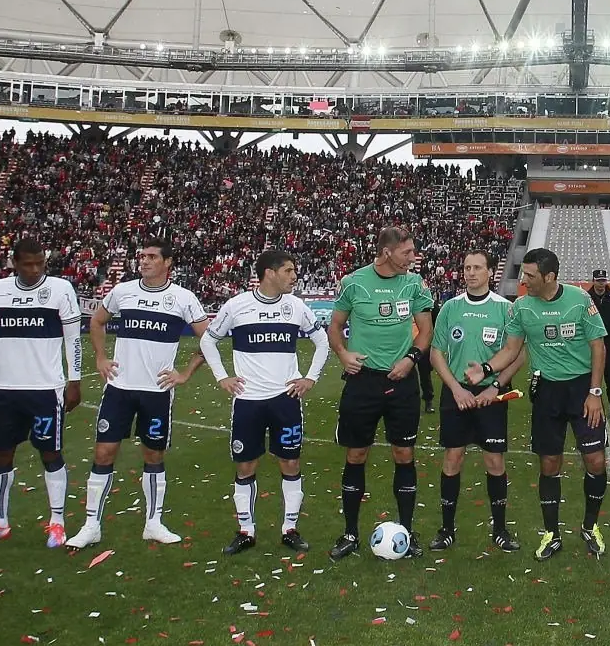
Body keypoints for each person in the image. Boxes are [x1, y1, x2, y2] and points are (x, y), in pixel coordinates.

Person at [71, 237, 211, 549]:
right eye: (142, 256)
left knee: (153, 454)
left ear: (167, 262)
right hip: (119, 389)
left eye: (151, 256)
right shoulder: (123, 292)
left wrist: (185, 373)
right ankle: (91, 526)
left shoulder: (183, 298)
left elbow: (209, 338)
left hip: (157, 392)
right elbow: (97, 321)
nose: (144, 261)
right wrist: (100, 357)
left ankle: (153, 523)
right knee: (103, 453)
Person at [0, 238, 83, 549]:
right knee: (0, 453)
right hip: (6, 389)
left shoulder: (61, 289)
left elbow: (73, 339)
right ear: (15, 263)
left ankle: (57, 523)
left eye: (40, 263)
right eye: (28, 264)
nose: (34, 269)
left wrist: (74, 381)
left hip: (45, 390)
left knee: (50, 453)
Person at [478, 248, 609, 560]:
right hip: (547, 391)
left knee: (595, 461)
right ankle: (552, 533)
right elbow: (511, 349)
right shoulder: (521, 307)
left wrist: (594, 393)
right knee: (549, 463)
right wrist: (485, 369)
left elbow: (598, 346)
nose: (524, 280)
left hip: (581, 390)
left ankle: (590, 526)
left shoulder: (580, 300)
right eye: (523, 274)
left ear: (549, 277)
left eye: (530, 275)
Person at [201, 247, 329, 555]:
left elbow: (322, 341)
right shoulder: (237, 306)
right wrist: (222, 377)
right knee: (245, 465)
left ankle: (290, 529)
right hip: (248, 401)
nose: (294, 276)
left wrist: (310, 377)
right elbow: (208, 340)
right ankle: (246, 530)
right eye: (288, 270)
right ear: (269, 273)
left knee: (291, 462)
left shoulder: (296, 306)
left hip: (286, 399)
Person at [326, 226, 435, 561]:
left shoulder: (414, 284)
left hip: (403, 382)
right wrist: (343, 354)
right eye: (407, 252)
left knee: (404, 454)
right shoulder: (354, 282)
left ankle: (406, 531)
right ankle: (349, 534)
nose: (412, 258)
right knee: (356, 454)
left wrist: (410, 359)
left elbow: (426, 330)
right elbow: (335, 326)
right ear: (387, 252)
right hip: (363, 383)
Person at [428, 249, 521, 551]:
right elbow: (436, 353)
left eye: (477, 267)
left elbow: (519, 354)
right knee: (452, 458)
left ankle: (500, 530)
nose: (470, 273)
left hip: (491, 396)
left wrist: (495, 387)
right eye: (467, 267)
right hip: (456, 394)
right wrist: (456, 389)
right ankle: (446, 530)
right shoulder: (450, 307)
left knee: (494, 461)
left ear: (491, 272)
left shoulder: (506, 309)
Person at [587, 270, 610, 418]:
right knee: (587, 375)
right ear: (593, 281)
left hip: (608, 342)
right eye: (598, 280)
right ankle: (585, 404)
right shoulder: (586, 298)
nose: (601, 284)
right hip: (590, 343)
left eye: (603, 280)